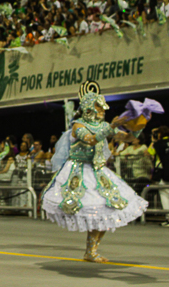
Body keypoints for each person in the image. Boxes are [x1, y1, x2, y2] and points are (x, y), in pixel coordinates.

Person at [42, 83, 148, 262]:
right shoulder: (78, 125)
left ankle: (91, 250)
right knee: (93, 209)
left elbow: (126, 138)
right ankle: (90, 251)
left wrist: (139, 125)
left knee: (107, 210)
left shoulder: (104, 125)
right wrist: (111, 126)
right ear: (89, 108)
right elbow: (90, 139)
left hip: (98, 171)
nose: (102, 111)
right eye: (99, 107)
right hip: (79, 171)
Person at [149, 126, 169, 227]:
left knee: (165, 194)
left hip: (165, 173)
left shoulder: (158, 144)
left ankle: (168, 218)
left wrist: (153, 140)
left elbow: (149, 152)